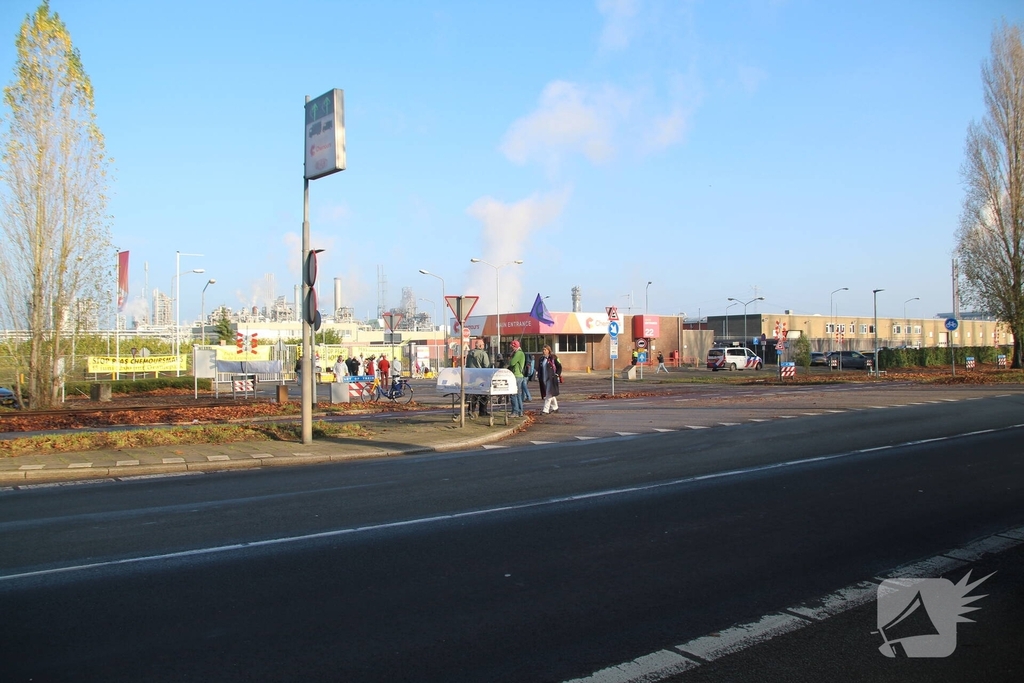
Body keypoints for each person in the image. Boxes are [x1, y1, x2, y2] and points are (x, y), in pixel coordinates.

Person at [464, 338, 491, 417]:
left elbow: (467, 365)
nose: (484, 346)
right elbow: (486, 366)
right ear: (480, 346)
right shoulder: (483, 354)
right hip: (481, 376)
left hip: (472, 376)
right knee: (484, 393)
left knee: (473, 394)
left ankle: (471, 410)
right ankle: (483, 411)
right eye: (483, 344)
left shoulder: (470, 353)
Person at [536, 345, 561, 414]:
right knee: (550, 394)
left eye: (545, 350)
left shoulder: (554, 358)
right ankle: (555, 408)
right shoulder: (541, 359)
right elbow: (539, 368)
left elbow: (559, 366)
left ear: (549, 350)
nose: (544, 351)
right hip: (544, 379)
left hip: (551, 379)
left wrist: (557, 374)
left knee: (548, 393)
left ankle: (545, 410)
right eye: (543, 350)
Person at [507, 340, 526, 418]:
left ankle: (515, 411)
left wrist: (510, 357)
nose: (511, 348)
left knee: (513, 394)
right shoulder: (520, 353)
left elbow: (512, 363)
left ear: (514, 346)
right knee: (518, 394)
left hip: (516, 375)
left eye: (512, 347)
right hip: (519, 376)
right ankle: (520, 411)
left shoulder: (518, 353)